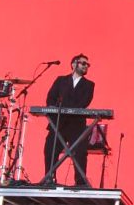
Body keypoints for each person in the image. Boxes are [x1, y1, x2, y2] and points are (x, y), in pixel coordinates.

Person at [43, 53, 95, 187]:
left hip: (76, 124)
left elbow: (84, 102)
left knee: (80, 152)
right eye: (83, 63)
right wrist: (54, 110)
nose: (86, 66)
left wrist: (67, 108)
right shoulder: (61, 80)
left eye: (87, 64)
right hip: (59, 123)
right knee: (50, 148)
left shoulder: (89, 85)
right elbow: (51, 97)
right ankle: (49, 178)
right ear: (74, 64)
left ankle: (80, 182)